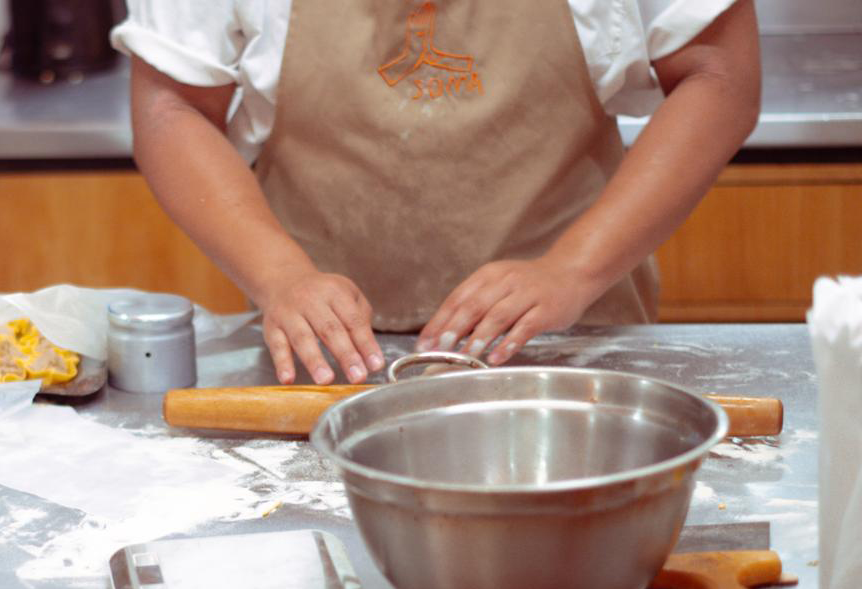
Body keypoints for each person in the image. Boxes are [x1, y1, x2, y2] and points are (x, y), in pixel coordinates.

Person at [113, 0, 761, 384]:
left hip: (574, 358)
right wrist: (280, 276)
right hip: (325, 369)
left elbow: (719, 73)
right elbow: (173, 105)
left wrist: (572, 268)